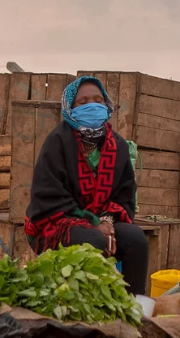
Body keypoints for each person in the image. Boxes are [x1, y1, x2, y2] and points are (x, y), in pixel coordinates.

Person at [24, 76, 148, 294]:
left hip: (102, 219)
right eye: (83, 103)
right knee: (93, 239)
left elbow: (124, 195)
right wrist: (93, 222)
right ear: (70, 108)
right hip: (56, 221)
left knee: (135, 239)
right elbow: (51, 197)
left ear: (107, 105)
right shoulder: (58, 142)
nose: (92, 106)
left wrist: (108, 219)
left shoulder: (117, 145)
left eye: (98, 100)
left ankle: (133, 305)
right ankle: (89, 303)